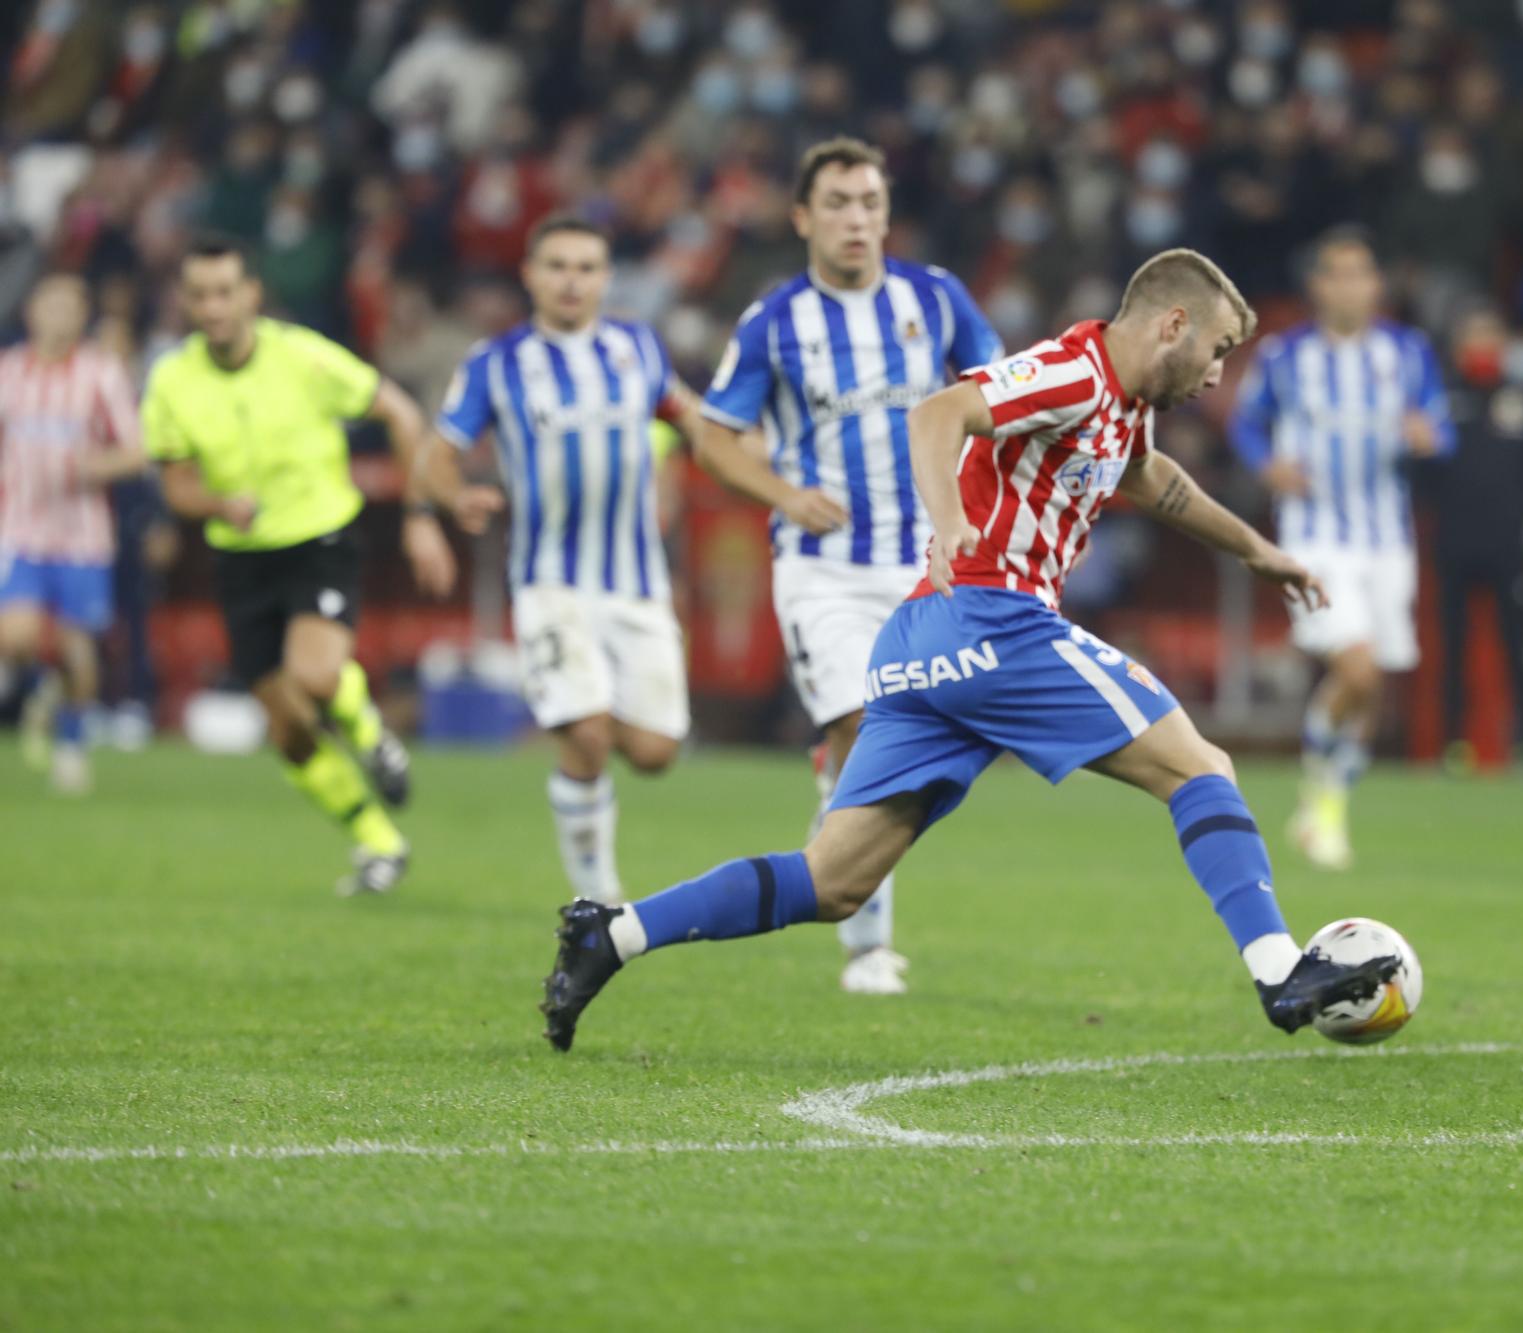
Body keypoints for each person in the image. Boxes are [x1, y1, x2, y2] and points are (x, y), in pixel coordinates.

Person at [538, 249, 1403, 1053]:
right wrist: (949, 517)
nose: (1218, 374)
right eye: (1215, 350)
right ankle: (1280, 968)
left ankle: (612, 933)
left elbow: (1151, 479)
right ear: (1171, 324)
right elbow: (939, 410)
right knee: (1198, 765)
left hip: (924, 646)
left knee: (833, 880)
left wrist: (1256, 549)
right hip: (995, 622)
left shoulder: (1123, 407)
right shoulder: (1073, 369)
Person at [693, 137, 1003, 996]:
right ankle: (869, 944)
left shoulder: (935, 299)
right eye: (838, 203)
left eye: (870, 201)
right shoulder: (774, 322)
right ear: (802, 217)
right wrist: (784, 493)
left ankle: (834, 790)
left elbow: (1000, 393)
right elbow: (714, 436)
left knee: (916, 743)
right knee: (871, 727)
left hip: (923, 561)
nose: (857, 219)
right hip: (822, 564)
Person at [413, 213, 704, 907]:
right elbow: (436, 454)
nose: (572, 281)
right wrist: (451, 502)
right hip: (549, 580)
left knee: (658, 751)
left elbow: (688, 415)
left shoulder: (638, 346)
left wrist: (745, 449)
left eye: (586, 268)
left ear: (605, 278)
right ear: (531, 275)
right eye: (557, 266)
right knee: (588, 732)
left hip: (637, 582)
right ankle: (597, 897)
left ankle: (567, 720)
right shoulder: (497, 362)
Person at [142, 234, 445, 894]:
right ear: (186, 301)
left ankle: (370, 736)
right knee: (290, 731)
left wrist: (420, 512)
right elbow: (175, 484)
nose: (213, 307)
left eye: (225, 292)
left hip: (318, 540)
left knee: (314, 675)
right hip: (240, 561)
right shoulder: (171, 379)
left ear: (251, 294)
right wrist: (220, 500)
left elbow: (397, 408)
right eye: (199, 294)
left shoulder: (302, 356)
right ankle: (379, 843)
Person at [1227, 228, 1454, 870]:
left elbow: (1442, 426)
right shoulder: (1285, 355)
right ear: (1318, 285)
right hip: (1315, 535)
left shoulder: (1407, 353)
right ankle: (1323, 802)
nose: (1349, 285)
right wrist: (1266, 465)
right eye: (1336, 273)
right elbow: (1245, 423)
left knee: (1372, 685)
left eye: (1360, 273)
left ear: (1376, 284)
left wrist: (1426, 435)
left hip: (1388, 539)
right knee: (1357, 670)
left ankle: (1323, 802)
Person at [0, 272, 148, 793]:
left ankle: (70, 738)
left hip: (82, 535)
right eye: (50, 302)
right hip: (19, 528)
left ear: (82, 316)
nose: (59, 313)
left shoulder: (100, 374)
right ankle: (38, 685)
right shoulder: (9, 372)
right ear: (31, 311)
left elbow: (137, 450)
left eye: (70, 304)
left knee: (77, 652)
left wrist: (94, 467)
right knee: (13, 636)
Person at [1425, 306, 1523, 755]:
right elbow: (1418, 469)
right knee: (1453, 646)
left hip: (1509, 542)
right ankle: (1453, 740)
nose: (1482, 348)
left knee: (1518, 640)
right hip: (1454, 541)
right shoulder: (1439, 399)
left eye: (1490, 337)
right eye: (1473, 338)